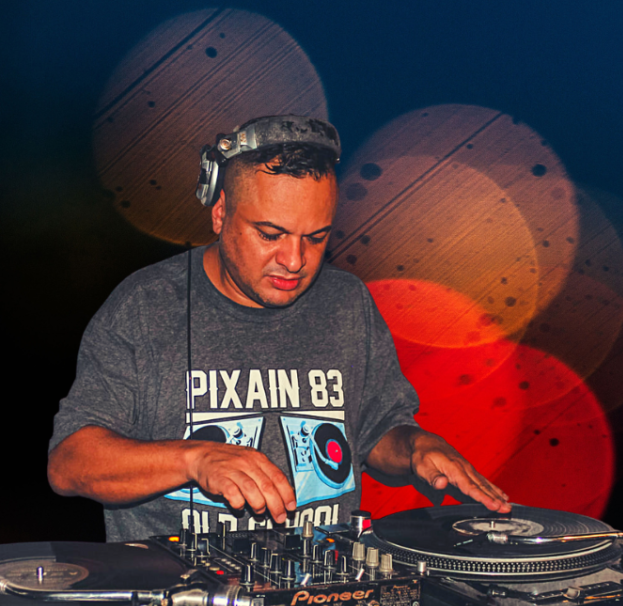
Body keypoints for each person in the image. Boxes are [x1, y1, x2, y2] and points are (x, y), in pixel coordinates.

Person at [48, 115, 511, 541]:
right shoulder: (146, 306)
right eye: (270, 234)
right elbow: (70, 463)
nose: (294, 260)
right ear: (219, 212)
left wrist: (414, 448)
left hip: (325, 591)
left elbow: (375, 435)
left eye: (316, 237)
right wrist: (194, 458)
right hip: (180, 596)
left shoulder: (347, 303)